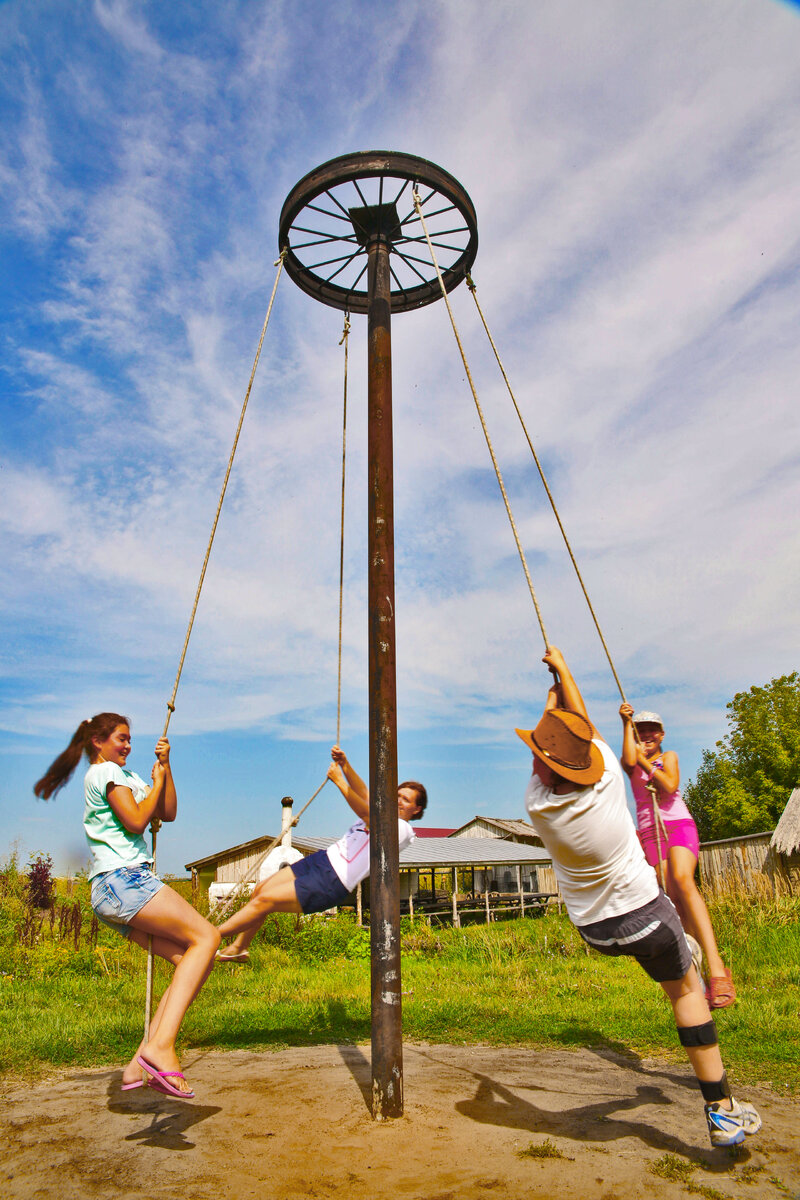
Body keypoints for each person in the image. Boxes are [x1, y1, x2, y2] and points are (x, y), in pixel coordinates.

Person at [515, 648, 760, 1148]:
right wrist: (564, 670)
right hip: (645, 916)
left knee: (665, 949)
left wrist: (552, 691)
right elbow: (579, 723)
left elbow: (557, 736)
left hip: (596, 931)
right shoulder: (604, 778)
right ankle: (721, 1109)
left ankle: (688, 957)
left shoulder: (537, 804)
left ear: (544, 764)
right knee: (686, 993)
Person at [34, 713, 220, 1099]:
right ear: (98, 742)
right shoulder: (102, 775)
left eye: (130, 739)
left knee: (191, 958)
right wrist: (152, 786)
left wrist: (165, 771)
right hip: (123, 880)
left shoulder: (128, 777)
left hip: (117, 889)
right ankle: (160, 1047)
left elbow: (166, 812)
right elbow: (137, 821)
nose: (128, 745)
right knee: (208, 936)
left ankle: (140, 1062)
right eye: (121, 739)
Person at [216, 746, 426, 959]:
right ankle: (239, 948)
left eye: (406, 800)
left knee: (265, 901)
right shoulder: (384, 811)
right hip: (322, 860)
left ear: (416, 810)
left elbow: (366, 813)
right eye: (398, 795)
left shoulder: (402, 829)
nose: (399, 801)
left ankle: (209, 937)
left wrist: (339, 781)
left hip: (333, 880)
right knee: (260, 891)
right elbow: (364, 793)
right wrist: (345, 764)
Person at [619, 706, 735, 1009]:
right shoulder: (632, 759)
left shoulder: (667, 757)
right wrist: (624, 724)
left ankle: (717, 966)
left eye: (652, 729)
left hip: (677, 824)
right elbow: (628, 761)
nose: (647, 734)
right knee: (673, 898)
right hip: (649, 832)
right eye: (640, 730)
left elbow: (669, 785)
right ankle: (695, 971)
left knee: (683, 881)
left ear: (662, 734)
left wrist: (646, 759)